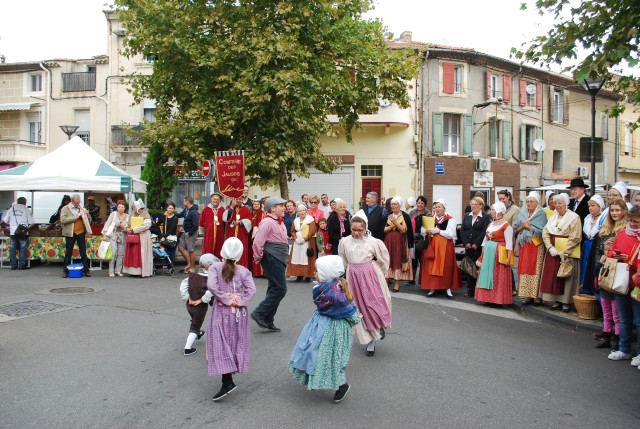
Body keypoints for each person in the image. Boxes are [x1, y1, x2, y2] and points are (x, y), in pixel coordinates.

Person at [289, 255, 361, 403]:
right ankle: (331, 382)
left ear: (327, 273)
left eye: (318, 271)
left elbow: (349, 311)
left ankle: (341, 385)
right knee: (318, 353)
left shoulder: (333, 293)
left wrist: (355, 318)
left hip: (334, 329)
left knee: (328, 356)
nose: (314, 273)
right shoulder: (330, 287)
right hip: (322, 325)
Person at [206, 238, 256, 401]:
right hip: (239, 314)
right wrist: (239, 300)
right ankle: (228, 378)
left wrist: (225, 299)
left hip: (222, 311)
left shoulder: (215, 268)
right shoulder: (243, 271)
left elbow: (212, 286)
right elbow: (251, 290)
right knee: (235, 342)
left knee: (221, 343)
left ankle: (227, 381)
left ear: (222, 251)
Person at [338, 211, 391, 357]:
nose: (356, 233)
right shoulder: (345, 241)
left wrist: (380, 273)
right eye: (353, 229)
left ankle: (378, 327)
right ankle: (371, 339)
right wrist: (341, 277)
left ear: (365, 228)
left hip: (370, 276)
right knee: (358, 308)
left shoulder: (372, 242)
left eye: (359, 230)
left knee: (373, 305)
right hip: (353, 277)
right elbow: (342, 260)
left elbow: (384, 258)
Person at [591, 199, 628, 349]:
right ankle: (606, 334)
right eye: (612, 210)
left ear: (623, 211)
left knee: (616, 308)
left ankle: (617, 337)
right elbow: (598, 251)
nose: (614, 213)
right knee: (606, 306)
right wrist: (598, 267)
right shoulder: (605, 230)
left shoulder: (625, 230)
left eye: (617, 210)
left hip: (617, 271)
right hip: (604, 270)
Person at [606, 204, 640, 364]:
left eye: (636, 222)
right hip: (621, 279)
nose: (632, 224)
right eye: (631, 221)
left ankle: (639, 353)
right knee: (624, 318)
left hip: (636, 283)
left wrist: (630, 261)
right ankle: (624, 349)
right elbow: (611, 250)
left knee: (638, 320)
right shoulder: (622, 233)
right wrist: (615, 254)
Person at [251, 196, 289, 332]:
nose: (284, 208)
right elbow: (258, 241)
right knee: (280, 289)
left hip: (278, 256)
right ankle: (259, 313)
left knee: (274, 288)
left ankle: (268, 319)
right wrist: (258, 256)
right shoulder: (267, 222)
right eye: (281, 206)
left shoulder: (279, 222)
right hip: (271, 256)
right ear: (273, 208)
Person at [540, 194, 582, 312]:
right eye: (556, 203)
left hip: (567, 251)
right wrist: (550, 248)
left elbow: (575, 236)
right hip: (553, 251)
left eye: (560, 203)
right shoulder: (553, 217)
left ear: (566, 204)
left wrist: (564, 251)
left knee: (566, 276)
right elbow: (545, 232)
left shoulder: (574, 218)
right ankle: (555, 300)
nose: (557, 206)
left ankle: (565, 301)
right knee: (554, 276)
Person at [421, 199, 462, 299]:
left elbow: (451, 234)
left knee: (446, 267)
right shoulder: (430, 218)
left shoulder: (450, 219)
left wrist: (438, 231)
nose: (437, 209)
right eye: (436, 207)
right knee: (431, 266)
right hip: (433, 246)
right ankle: (433, 287)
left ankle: (447, 288)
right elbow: (422, 230)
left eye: (439, 207)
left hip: (445, 247)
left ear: (444, 208)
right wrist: (425, 231)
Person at [475, 202, 514, 306]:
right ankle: (488, 298)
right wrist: (482, 254)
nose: (491, 212)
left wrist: (508, 258)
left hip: (499, 254)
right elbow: (485, 240)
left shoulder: (506, 226)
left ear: (499, 212)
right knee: (487, 274)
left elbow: (509, 243)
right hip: (488, 254)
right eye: (491, 210)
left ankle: (497, 300)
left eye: (493, 210)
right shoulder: (490, 224)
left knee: (497, 276)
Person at [179, 253, 218, 356]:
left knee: (195, 321)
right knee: (195, 326)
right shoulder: (210, 280)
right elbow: (210, 291)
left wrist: (188, 298)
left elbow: (183, 285)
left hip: (189, 306)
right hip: (200, 308)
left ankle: (199, 333)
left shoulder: (192, 276)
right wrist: (202, 300)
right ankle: (187, 348)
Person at [513, 192, 547, 305]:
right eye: (527, 201)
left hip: (536, 245)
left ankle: (536, 296)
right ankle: (527, 295)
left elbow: (543, 230)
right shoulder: (523, 213)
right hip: (525, 245)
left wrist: (530, 228)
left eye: (531, 201)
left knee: (536, 270)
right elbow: (515, 229)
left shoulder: (541, 214)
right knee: (525, 269)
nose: (529, 203)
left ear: (537, 203)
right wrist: (523, 227)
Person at [460, 196, 490, 298]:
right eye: (471, 204)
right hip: (468, 246)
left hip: (479, 247)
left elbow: (484, 231)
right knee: (469, 268)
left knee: (478, 268)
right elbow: (462, 230)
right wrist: (466, 243)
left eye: (475, 205)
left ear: (481, 206)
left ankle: (478, 290)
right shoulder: (467, 216)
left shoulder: (485, 217)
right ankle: (470, 289)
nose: (472, 207)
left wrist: (476, 243)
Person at [383, 196, 414, 292]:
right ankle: (386, 281)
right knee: (388, 260)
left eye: (395, 204)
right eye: (392, 204)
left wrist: (395, 222)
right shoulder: (388, 215)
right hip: (388, 241)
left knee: (397, 260)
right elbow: (384, 230)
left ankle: (397, 283)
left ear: (399, 205)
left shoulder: (404, 216)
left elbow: (404, 230)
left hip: (399, 242)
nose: (393, 206)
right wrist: (392, 225)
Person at [60, 194, 92, 278]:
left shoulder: (81, 209)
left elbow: (88, 221)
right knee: (68, 253)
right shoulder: (65, 209)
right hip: (70, 233)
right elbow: (63, 220)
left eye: (79, 202)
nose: (78, 204)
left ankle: (86, 270)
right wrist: (75, 217)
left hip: (80, 232)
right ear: (72, 201)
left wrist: (88, 215)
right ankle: (65, 271)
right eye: (76, 203)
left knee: (83, 252)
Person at [579, 195, 604, 292]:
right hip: (587, 245)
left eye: (593, 205)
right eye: (589, 206)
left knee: (592, 266)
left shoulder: (602, 219)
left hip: (596, 245)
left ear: (599, 206)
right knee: (585, 265)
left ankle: (592, 289)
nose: (590, 208)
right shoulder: (587, 218)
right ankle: (583, 288)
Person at [123, 199, 153, 278]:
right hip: (134, 236)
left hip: (143, 237)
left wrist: (134, 229)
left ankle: (142, 271)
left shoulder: (145, 215)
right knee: (133, 254)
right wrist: (127, 228)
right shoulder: (132, 215)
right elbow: (127, 223)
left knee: (141, 254)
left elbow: (146, 225)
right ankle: (132, 271)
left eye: (134, 207)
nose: (133, 209)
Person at [287, 204, 317, 283]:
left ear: (306, 211)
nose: (301, 212)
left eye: (303, 210)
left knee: (306, 258)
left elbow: (312, 230)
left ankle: (307, 276)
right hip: (297, 242)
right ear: (298, 212)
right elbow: (293, 231)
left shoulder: (310, 220)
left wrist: (305, 239)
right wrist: (295, 238)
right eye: (299, 211)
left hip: (307, 241)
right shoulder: (296, 220)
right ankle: (298, 276)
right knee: (297, 257)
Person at [101, 199, 129, 277]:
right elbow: (107, 224)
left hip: (122, 236)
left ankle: (118, 270)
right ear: (117, 207)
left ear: (124, 208)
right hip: (113, 235)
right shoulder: (113, 214)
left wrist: (123, 227)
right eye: (119, 207)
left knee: (121, 254)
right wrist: (105, 233)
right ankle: (111, 271)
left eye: (122, 207)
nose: (120, 208)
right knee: (113, 253)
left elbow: (128, 227)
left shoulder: (127, 217)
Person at [5, 197, 34, 270]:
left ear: (17, 202)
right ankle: (22, 265)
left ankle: (13, 266)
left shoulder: (11, 209)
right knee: (22, 248)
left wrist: (11, 224)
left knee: (12, 248)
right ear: (25, 202)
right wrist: (26, 226)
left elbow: (5, 220)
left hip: (13, 232)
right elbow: (31, 222)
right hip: (22, 232)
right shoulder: (26, 210)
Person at [223, 197, 252, 269]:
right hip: (231, 232)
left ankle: (241, 268)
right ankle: (229, 268)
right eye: (236, 199)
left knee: (241, 249)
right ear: (233, 199)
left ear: (242, 200)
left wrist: (240, 222)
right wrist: (232, 207)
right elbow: (225, 218)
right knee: (230, 249)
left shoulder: (245, 209)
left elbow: (249, 221)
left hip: (241, 233)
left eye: (240, 199)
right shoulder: (229, 208)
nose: (238, 201)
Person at [409, 196, 431, 285]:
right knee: (412, 259)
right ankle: (412, 279)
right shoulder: (412, 212)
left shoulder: (428, 214)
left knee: (422, 260)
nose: (420, 205)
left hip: (422, 240)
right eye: (418, 203)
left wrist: (416, 236)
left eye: (422, 203)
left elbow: (427, 228)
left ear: (425, 204)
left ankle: (423, 280)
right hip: (412, 239)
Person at [176, 196, 200, 274]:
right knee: (180, 247)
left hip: (191, 232)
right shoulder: (186, 210)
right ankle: (189, 263)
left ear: (188, 202)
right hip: (185, 231)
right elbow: (179, 215)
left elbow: (196, 224)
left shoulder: (194, 212)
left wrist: (190, 233)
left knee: (191, 250)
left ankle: (192, 268)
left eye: (184, 202)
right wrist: (172, 212)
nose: (183, 203)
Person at [199, 193, 225, 259]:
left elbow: (225, 222)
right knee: (208, 249)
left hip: (220, 235)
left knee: (219, 249)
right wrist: (202, 233)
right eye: (214, 199)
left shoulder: (222, 210)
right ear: (211, 200)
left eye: (217, 199)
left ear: (220, 201)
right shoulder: (206, 209)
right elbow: (201, 221)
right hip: (209, 234)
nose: (215, 201)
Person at [159, 202, 179, 267]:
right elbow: (158, 223)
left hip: (171, 238)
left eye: (172, 208)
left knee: (172, 253)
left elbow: (172, 229)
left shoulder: (175, 218)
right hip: (165, 237)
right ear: (166, 208)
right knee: (166, 252)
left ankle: (171, 267)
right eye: (169, 208)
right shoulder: (164, 217)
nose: (170, 209)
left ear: (174, 209)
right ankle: (167, 266)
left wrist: (164, 237)